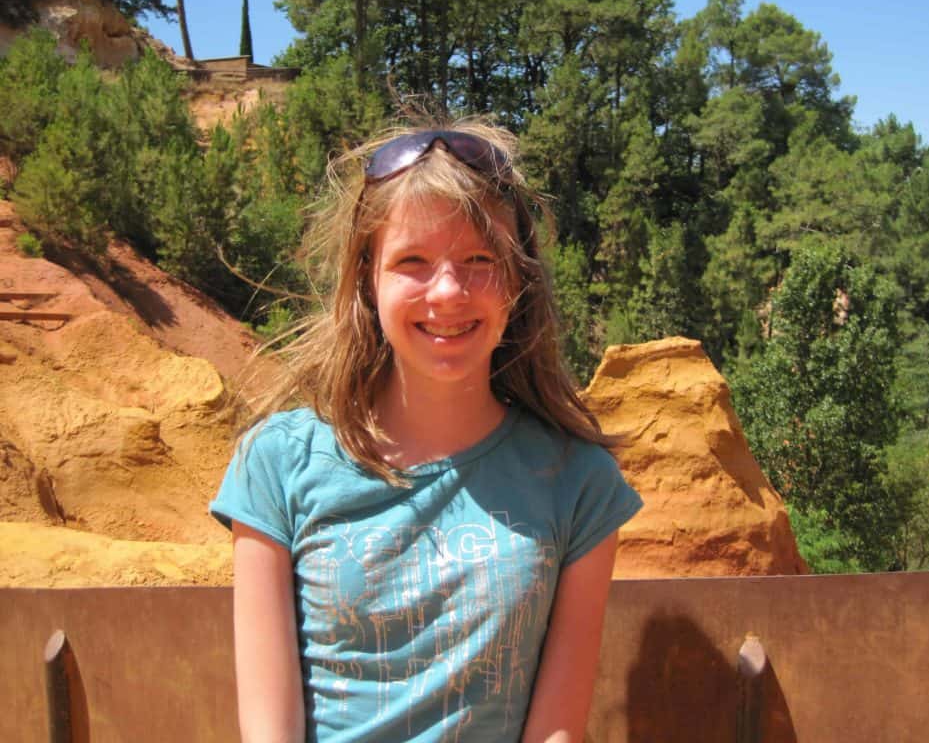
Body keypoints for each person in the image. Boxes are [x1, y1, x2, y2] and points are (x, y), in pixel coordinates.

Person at [210, 119, 643, 743]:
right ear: (367, 278)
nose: (448, 291)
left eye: (479, 259)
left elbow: (557, 732)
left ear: (518, 280)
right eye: (412, 260)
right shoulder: (277, 464)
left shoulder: (579, 483)